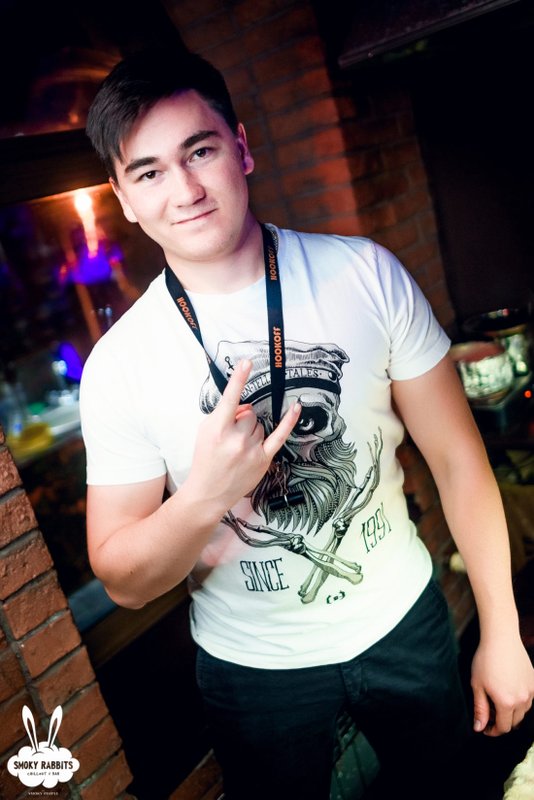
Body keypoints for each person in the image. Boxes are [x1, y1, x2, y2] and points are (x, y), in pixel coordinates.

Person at [81, 45, 534, 800]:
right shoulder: (118, 366)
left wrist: (503, 629)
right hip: (251, 670)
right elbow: (125, 583)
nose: (185, 190)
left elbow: (459, 461)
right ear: (123, 197)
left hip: (404, 620)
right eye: (149, 172)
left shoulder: (366, 273)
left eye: (200, 151)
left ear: (242, 148)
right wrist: (205, 495)